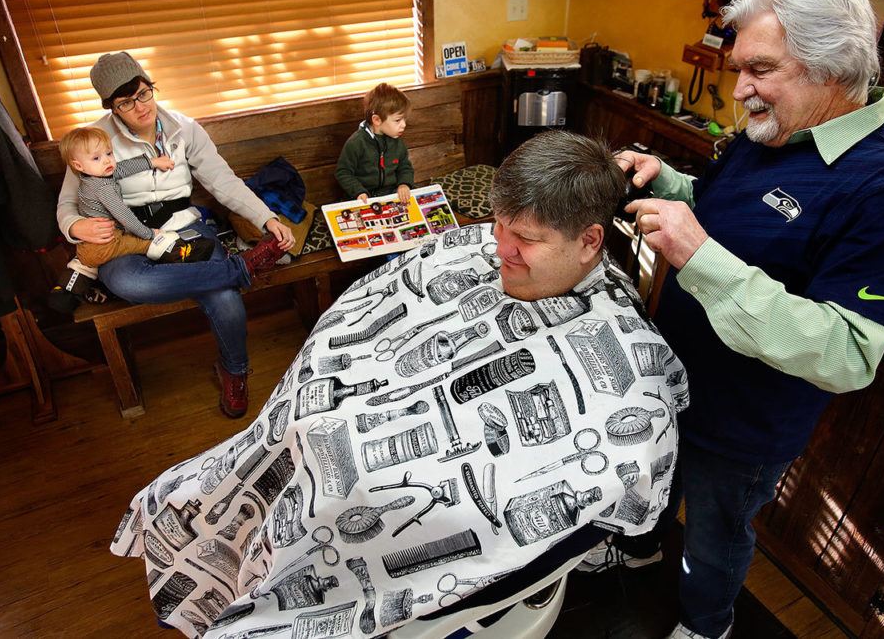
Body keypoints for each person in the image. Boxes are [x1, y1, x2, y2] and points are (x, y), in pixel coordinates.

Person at [110, 131, 687, 638]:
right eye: (497, 225)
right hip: (320, 427)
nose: (500, 249)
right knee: (290, 448)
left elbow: (608, 476)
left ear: (589, 241)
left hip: (385, 507)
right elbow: (364, 311)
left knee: (329, 501)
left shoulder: (624, 350)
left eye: (525, 240)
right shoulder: (477, 250)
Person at [605, 0, 884, 639]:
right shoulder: (776, 130)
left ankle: (707, 626)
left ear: (832, 69)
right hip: (676, 382)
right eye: (739, 68)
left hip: (746, 424)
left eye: (760, 69)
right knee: (656, 481)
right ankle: (638, 551)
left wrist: (698, 257)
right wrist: (670, 184)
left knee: (715, 536)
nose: (741, 89)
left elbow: (847, 353)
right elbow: (733, 220)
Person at [56, 52, 296, 418]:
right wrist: (76, 227)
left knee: (225, 298)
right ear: (111, 107)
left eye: (143, 93)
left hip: (183, 226)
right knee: (133, 283)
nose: (140, 107)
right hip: (124, 237)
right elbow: (66, 205)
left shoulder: (185, 128)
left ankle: (234, 370)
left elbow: (222, 180)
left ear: (150, 86)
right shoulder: (93, 141)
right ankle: (241, 268)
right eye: (126, 102)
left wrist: (267, 219)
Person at [48, 126, 216, 313]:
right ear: (78, 166)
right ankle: (180, 251)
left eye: (109, 153)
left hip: (91, 246)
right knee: (144, 243)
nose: (107, 161)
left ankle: (70, 290)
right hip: (107, 242)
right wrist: (149, 234)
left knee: (87, 264)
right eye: (97, 158)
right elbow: (125, 216)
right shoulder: (103, 188)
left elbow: (124, 167)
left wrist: (153, 162)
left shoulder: (95, 175)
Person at [334, 82, 415, 205]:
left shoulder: (397, 142)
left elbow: (405, 167)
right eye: (398, 120)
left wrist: (404, 184)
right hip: (364, 196)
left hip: (391, 194)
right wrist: (358, 192)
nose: (403, 125)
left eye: (404, 119)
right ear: (377, 120)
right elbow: (343, 172)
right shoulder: (357, 142)